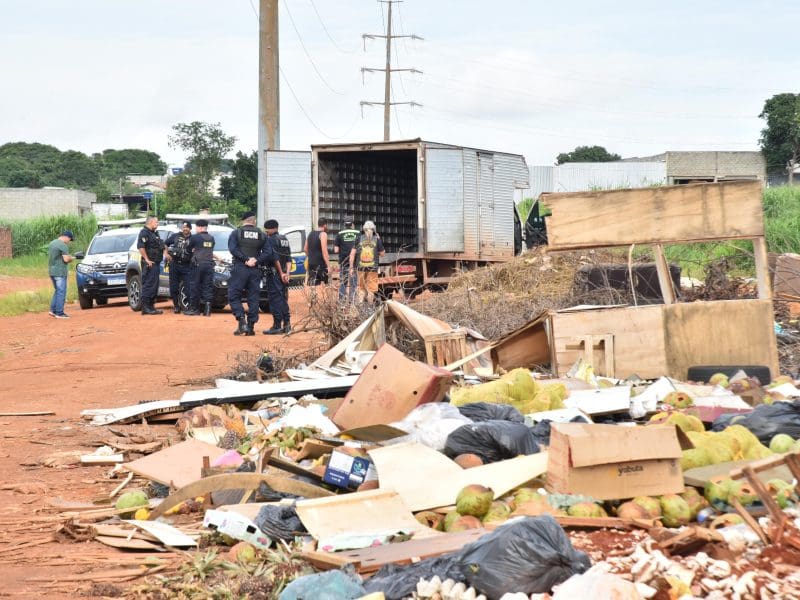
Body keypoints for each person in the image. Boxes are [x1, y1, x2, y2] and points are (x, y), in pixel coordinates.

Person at [227, 211, 285, 335]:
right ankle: (250, 327)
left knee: (234, 295)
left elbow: (233, 249)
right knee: (253, 297)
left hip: (240, 268)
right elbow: (268, 252)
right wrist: (256, 260)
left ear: (243, 221)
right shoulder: (262, 235)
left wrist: (245, 259)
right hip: (255, 270)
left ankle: (242, 321)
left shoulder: (236, 233)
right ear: (254, 221)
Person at [262, 219, 292, 335]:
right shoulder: (284, 239)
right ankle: (287, 324)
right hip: (284, 274)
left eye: (267, 230)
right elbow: (289, 258)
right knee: (283, 299)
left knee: (275, 300)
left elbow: (275, 259)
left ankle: (277, 325)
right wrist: (287, 274)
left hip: (275, 274)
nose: (267, 232)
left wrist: (280, 273)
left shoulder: (270, 240)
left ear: (272, 228)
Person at [349, 220, 385, 305]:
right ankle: (369, 307)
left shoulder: (358, 239)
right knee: (371, 289)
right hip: (373, 268)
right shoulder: (376, 239)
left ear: (364, 229)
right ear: (373, 230)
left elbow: (352, 254)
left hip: (360, 268)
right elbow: (382, 254)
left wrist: (351, 267)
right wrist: (379, 240)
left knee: (361, 288)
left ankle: (361, 305)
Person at [185, 219, 216, 316]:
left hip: (197, 265)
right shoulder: (211, 238)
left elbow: (188, 249)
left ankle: (195, 309)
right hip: (209, 265)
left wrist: (194, 249)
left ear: (199, 227)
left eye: (196, 227)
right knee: (207, 287)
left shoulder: (195, 237)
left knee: (194, 286)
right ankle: (207, 311)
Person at [136, 215, 165, 315]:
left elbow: (160, 245)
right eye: (156, 222)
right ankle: (145, 307)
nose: (157, 224)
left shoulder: (154, 233)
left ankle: (151, 306)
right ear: (150, 222)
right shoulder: (144, 233)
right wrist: (147, 259)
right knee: (148, 284)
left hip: (155, 262)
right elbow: (140, 247)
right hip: (149, 263)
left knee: (154, 285)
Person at [164, 221, 193, 313]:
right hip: (174, 264)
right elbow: (165, 244)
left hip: (187, 265)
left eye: (187, 227)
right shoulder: (175, 236)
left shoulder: (193, 238)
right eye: (183, 227)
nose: (185, 229)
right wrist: (166, 254)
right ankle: (176, 306)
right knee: (173, 287)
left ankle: (189, 307)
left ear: (190, 229)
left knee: (188, 286)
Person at [48, 230, 76, 319]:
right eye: (70, 239)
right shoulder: (63, 245)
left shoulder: (52, 243)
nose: (69, 241)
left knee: (57, 290)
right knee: (61, 292)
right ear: (66, 237)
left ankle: (53, 310)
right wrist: (73, 258)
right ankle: (59, 313)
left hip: (52, 271)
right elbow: (66, 259)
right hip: (60, 272)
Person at [333, 216, 359, 303]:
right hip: (355, 262)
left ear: (344, 224)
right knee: (353, 283)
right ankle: (352, 301)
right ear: (352, 224)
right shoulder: (358, 233)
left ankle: (342, 302)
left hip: (344, 262)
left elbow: (336, 250)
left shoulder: (340, 234)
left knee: (343, 282)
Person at [304, 218, 330, 288]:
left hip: (311, 263)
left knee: (313, 286)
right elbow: (324, 251)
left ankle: (313, 299)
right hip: (320, 264)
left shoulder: (310, 233)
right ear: (325, 225)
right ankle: (326, 299)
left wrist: (310, 256)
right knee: (326, 284)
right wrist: (328, 266)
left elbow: (305, 249)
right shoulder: (323, 234)